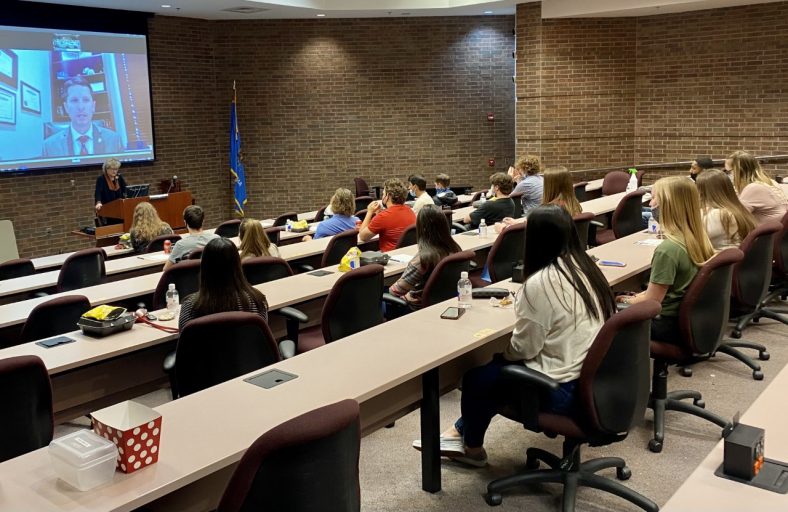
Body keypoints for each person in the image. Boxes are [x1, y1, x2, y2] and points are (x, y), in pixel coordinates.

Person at [417, 205, 616, 466]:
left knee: (479, 377)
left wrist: (498, 353)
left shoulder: (542, 283)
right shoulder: (584, 267)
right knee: (494, 372)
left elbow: (524, 349)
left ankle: (472, 450)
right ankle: (457, 432)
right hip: (592, 377)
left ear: (533, 238)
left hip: (563, 389)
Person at [618, 177, 715, 342]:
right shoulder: (698, 239)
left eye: (654, 198)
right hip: (688, 322)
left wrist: (622, 300)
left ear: (668, 205)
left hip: (664, 324)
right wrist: (636, 296)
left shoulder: (668, 250)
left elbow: (652, 301)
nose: (650, 204)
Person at [178, 237, 269, 330]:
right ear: (238, 266)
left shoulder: (190, 307)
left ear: (204, 268)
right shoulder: (257, 301)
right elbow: (262, 340)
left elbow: (184, 342)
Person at [387, 206, 461, 315]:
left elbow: (395, 291)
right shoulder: (456, 249)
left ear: (422, 229)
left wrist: (407, 296)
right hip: (446, 304)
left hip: (417, 309)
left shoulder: (423, 259)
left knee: (381, 293)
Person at [42, 76, 123, 158]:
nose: (81, 107)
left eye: (86, 100)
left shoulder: (114, 140)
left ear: (93, 106)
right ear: (66, 107)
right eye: (74, 100)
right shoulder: (49, 147)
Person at [696, 169, 757, 249]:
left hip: (720, 259)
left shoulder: (718, 214)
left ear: (701, 192)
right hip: (737, 258)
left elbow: (694, 240)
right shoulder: (737, 209)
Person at [729, 150, 788, 224]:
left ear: (739, 171)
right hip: (777, 231)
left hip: (766, 233)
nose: (729, 175)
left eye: (729, 171)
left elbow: (735, 219)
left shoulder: (753, 188)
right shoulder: (771, 182)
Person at [359, 178, 416, 252]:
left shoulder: (383, 216)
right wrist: (378, 214)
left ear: (388, 196)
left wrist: (369, 212)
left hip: (389, 257)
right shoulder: (410, 211)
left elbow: (363, 236)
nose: (382, 197)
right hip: (406, 254)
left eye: (383, 194)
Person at [94, 158, 127, 225]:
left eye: (116, 169)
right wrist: (98, 202)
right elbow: (98, 193)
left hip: (119, 209)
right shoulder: (101, 179)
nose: (115, 171)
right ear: (107, 169)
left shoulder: (119, 178)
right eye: (112, 169)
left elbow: (126, 189)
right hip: (108, 210)